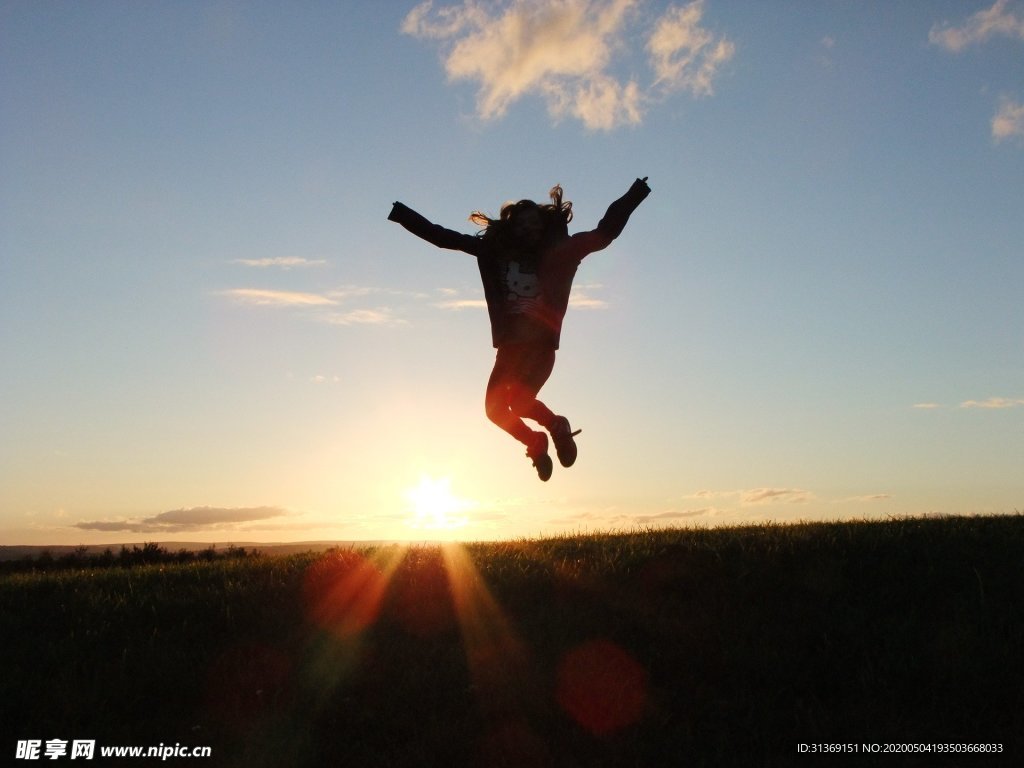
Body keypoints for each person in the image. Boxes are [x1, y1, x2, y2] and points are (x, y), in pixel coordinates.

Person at [387, 176, 651, 480]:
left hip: (540, 347)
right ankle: (536, 441)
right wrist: (402, 214)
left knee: (520, 402)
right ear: (512, 228)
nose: (529, 229)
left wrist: (635, 193)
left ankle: (556, 426)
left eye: (535, 223)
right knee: (495, 410)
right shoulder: (494, 253)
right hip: (510, 350)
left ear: (544, 228)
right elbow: (444, 237)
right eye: (522, 224)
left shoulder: (562, 254)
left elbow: (604, 234)